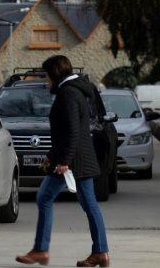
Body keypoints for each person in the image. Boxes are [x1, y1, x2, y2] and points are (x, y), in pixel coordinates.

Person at [16, 55, 110, 267]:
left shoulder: (67, 94)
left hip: (73, 162)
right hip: (80, 160)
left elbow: (72, 132)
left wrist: (64, 160)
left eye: (47, 75)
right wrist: (51, 155)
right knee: (90, 206)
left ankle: (41, 250)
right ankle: (101, 252)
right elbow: (67, 132)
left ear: (55, 74)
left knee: (44, 197)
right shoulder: (74, 91)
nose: (46, 80)